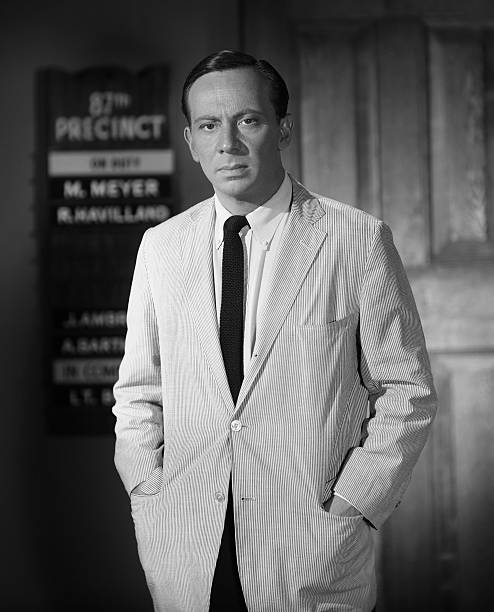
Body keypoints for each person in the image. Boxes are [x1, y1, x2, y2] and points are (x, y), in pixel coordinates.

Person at [113, 50, 437, 612]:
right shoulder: (160, 247)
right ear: (190, 141)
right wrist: (147, 488)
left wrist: (356, 501)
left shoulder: (356, 240)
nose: (228, 144)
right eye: (209, 126)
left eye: (248, 120)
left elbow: (406, 390)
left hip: (309, 552)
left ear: (282, 129)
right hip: (186, 548)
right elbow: (139, 390)